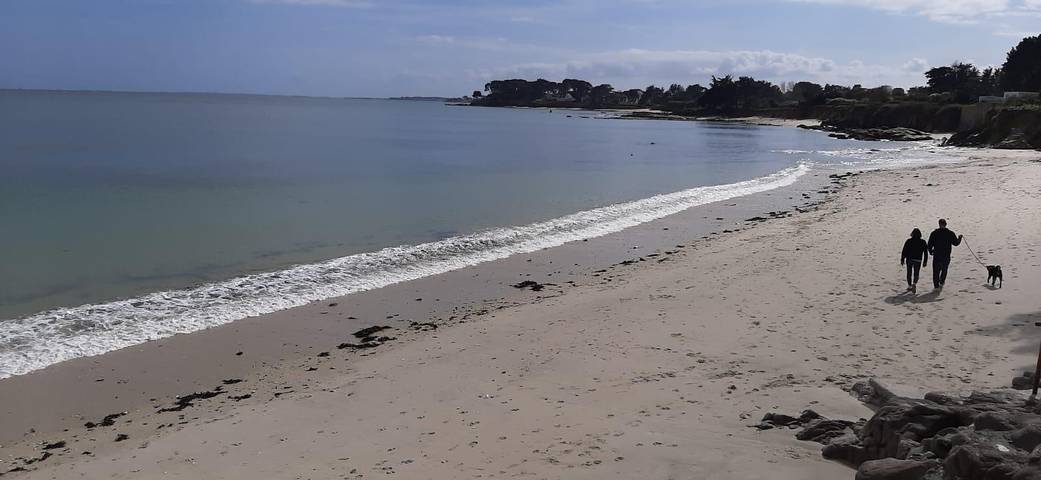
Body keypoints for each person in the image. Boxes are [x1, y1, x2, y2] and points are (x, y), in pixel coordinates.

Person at [927, 219, 963, 289]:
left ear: (939, 224)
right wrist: (959, 238)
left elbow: (929, 244)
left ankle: (936, 286)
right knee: (944, 269)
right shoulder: (950, 233)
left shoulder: (934, 233)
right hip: (946, 255)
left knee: (936, 272)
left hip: (937, 255)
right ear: (946, 224)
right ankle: (941, 282)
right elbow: (956, 243)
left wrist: (931, 251)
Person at [901, 228, 928, 293]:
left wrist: (902, 259)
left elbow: (904, 251)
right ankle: (914, 284)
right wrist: (925, 261)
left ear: (912, 234)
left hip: (909, 259)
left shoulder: (909, 241)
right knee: (916, 273)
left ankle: (909, 286)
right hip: (918, 260)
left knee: (909, 273)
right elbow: (925, 252)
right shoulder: (923, 242)